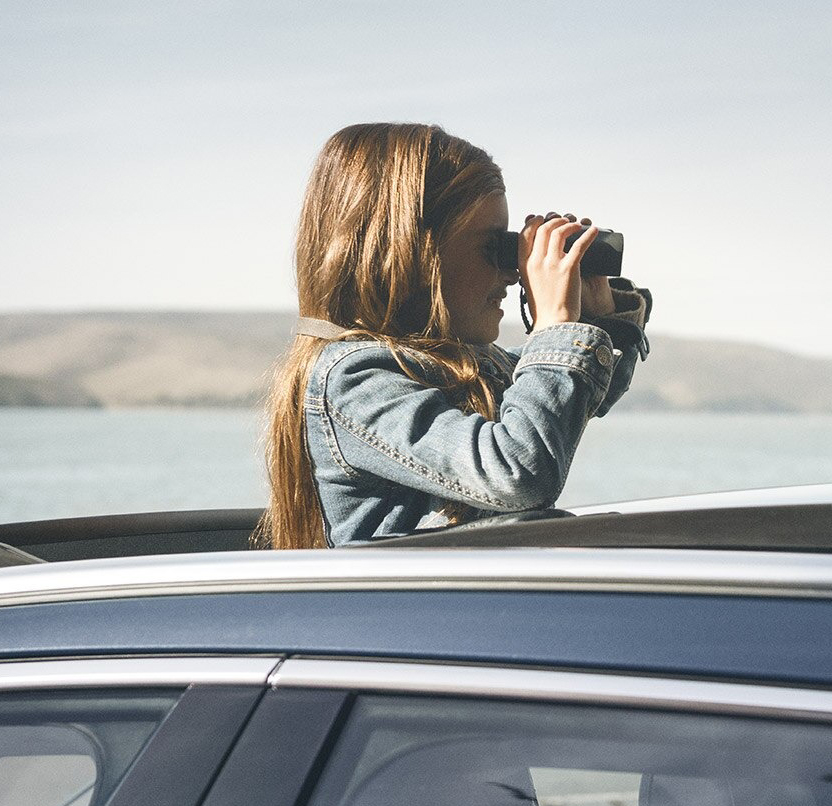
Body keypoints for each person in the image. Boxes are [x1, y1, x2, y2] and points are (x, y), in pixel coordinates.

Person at [256, 123, 650, 548]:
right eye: (492, 247)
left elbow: (572, 399)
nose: (512, 273)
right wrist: (555, 327)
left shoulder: (476, 364)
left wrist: (597, 318)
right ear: (411, 253)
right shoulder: (355, 381)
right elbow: (517, 472)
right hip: (414, 593)